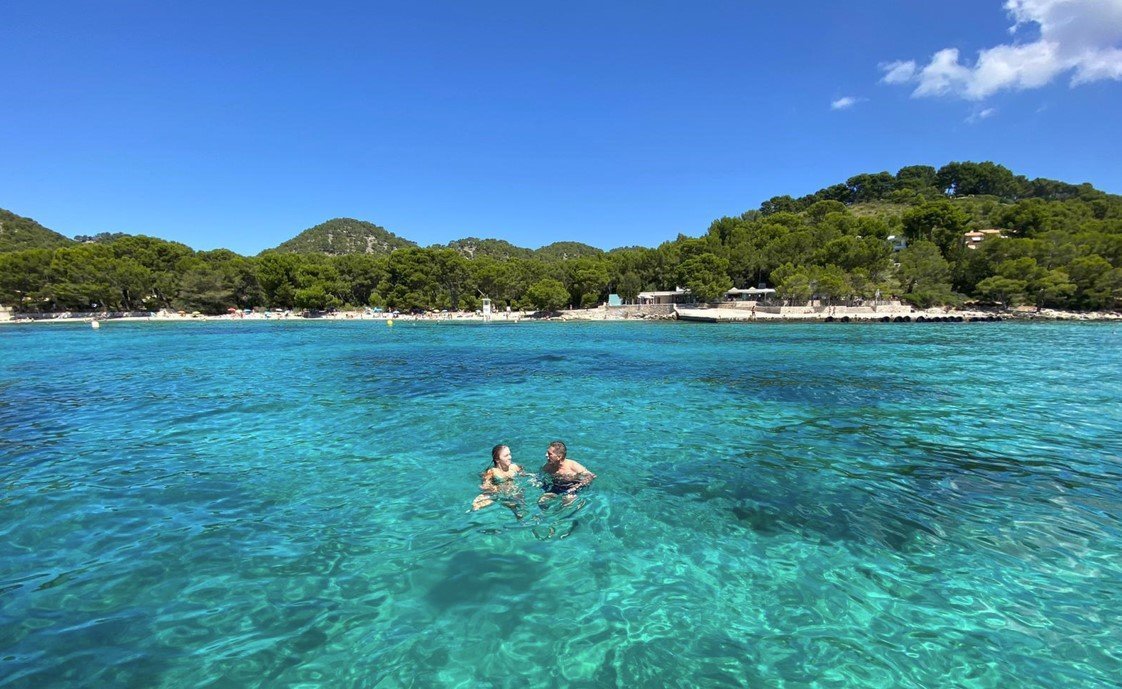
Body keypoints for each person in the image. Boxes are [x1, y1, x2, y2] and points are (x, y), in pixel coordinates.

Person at [540, 440, 595, 505]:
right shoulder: (548, 466)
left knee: (567, 501)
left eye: (549, 454)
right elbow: (540, 475)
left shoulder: (573, 465)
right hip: (556, 487)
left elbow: (591, 476)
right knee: (541, 501)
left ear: (559, 457)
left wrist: (576, 487)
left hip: (572, 489)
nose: (546, 455)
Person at [472, 444, 525, 512]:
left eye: (509, 454)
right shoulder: (492, 472)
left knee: (521, 509)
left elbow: (525, 475)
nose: (510, 457)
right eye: (506, 456)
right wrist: (492, 488)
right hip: (499, 493)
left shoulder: (514, 467)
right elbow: (485, 486)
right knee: (476, 506)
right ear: (497, 460)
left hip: (515, 491)